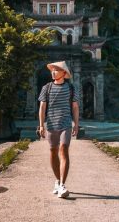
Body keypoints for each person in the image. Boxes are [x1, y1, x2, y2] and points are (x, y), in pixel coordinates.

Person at [38, 61, 80, 199]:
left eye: (56, 70)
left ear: (64, 73)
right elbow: (42, 108)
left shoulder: (71, 88)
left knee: (64, 149)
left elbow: (75, 107)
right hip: (51, 125)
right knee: (53, 152)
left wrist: (76, 124)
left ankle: (62, 185)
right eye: (52, 70)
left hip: (66, 124)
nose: (53, 72)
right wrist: (41, 125)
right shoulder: (47, 88)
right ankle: (57, 180)